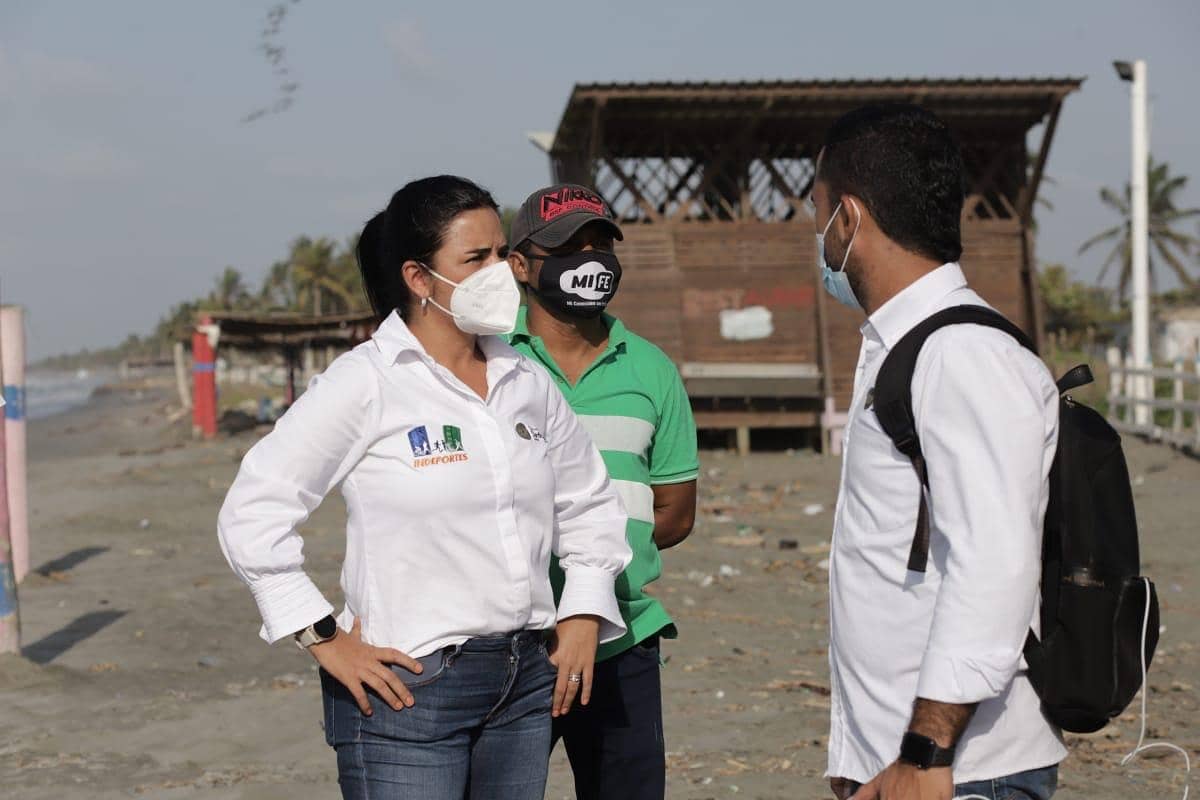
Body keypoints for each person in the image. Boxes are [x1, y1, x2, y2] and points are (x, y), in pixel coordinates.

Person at [217, 175, 633, 800]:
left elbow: (589, 500)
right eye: (475, 259)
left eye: (500, 253)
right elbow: (253, 513)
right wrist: (323, 637)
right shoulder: (366, 383)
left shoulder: (525, 377)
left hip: (524, 685)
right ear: (418, 279)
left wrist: (583, 608)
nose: (500, 272)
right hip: (408, 692)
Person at [813, 107, 1066, 800]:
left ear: (850, 220)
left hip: (962, 772)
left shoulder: (961, 354)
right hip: (902, 765)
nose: (818, 237)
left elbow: (994, 559)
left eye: (819, 212)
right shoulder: (904, 346)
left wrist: (924, 751)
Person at [506, 183, 699, 800]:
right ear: (519, 265)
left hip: (623, 638)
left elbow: (673, 511)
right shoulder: (488, 359)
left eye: (599, 244)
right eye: (566, 246)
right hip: (510, 645)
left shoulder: (652, 369)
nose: (588, 260)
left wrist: (603, 555)